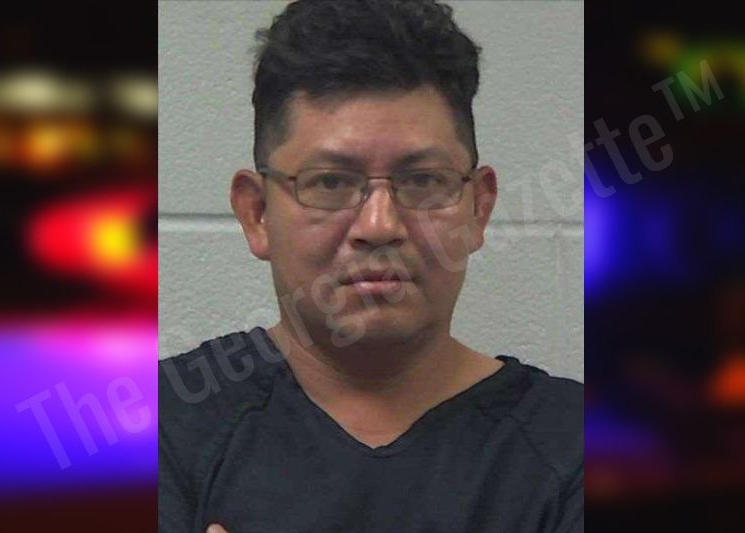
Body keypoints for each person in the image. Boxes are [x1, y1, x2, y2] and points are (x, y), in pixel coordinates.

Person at [159, 1, 583, 531]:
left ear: (478, 208)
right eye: (330, 182)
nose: (379, 225)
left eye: (423, 181)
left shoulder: (577, 446)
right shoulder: (159, 427)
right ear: (257, 213)